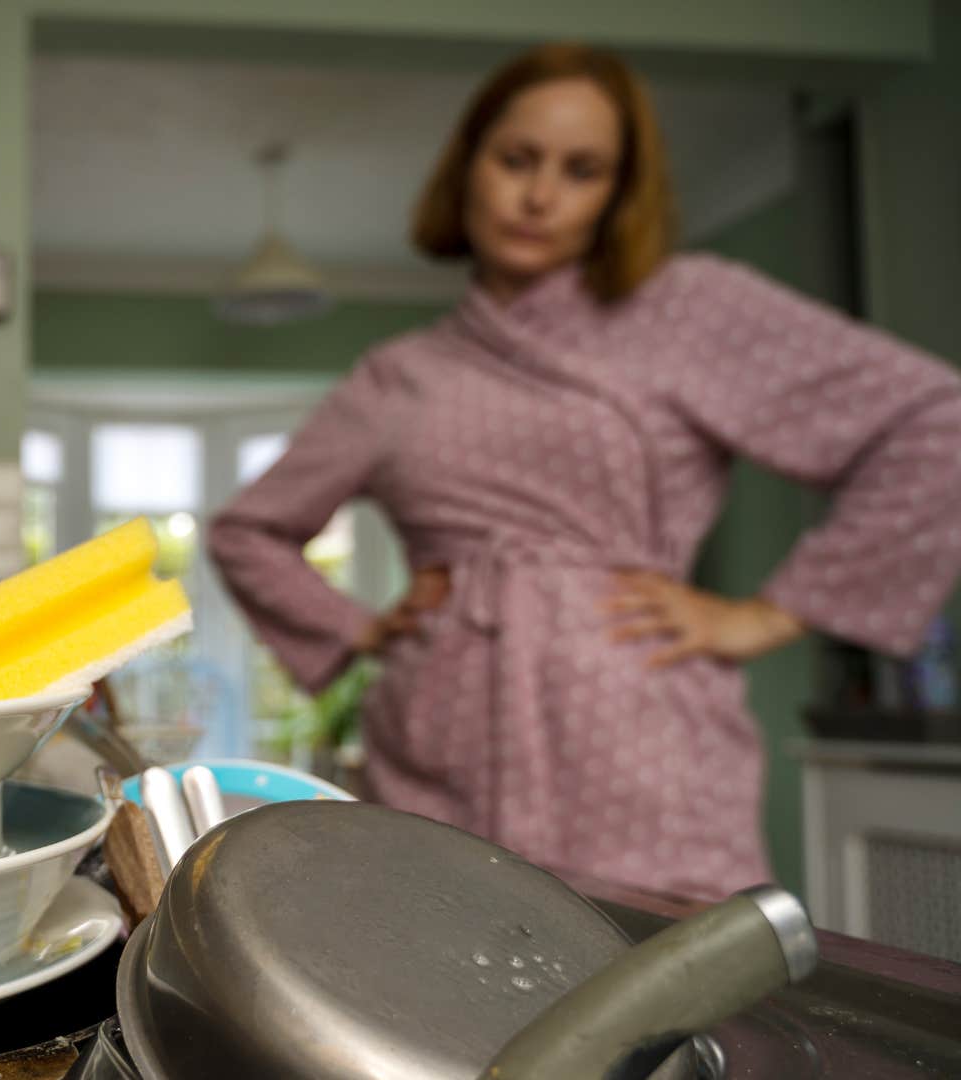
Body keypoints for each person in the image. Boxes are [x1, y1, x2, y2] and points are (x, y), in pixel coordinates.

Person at [207, 43, 961, 898]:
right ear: (469, 168)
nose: (539, 196)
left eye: (583, 170)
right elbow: (248, 532)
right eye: (516, 159)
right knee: (443, 997)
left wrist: (772, 613)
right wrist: (359, 628)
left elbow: (935, 422)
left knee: (668, 1004)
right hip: (439, 756)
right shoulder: (399, 374)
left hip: (645, 754)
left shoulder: (690, 309)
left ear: (617, 195)